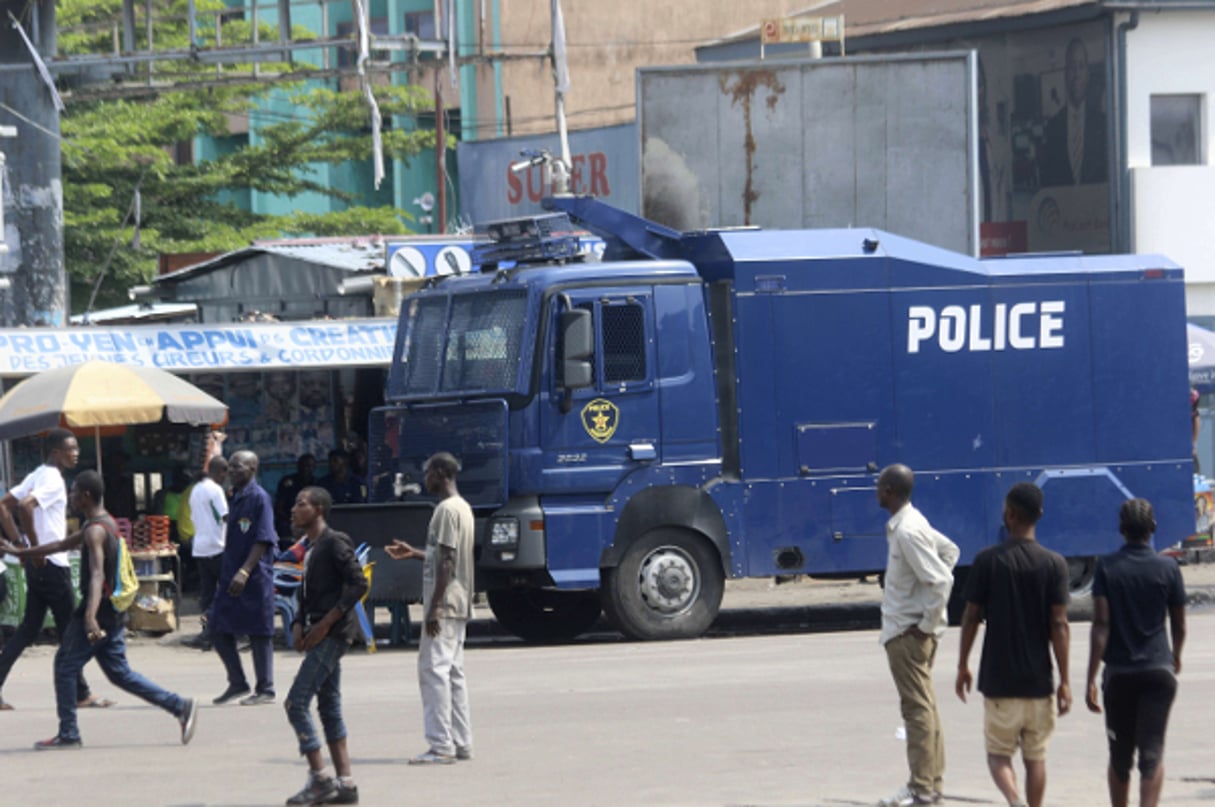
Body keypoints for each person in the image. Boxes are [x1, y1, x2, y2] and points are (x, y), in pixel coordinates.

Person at [0, 471, 197, 749]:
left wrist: (90, 617)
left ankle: (68, 733)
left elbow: (95, 574)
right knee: (120, 674)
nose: (70, 497)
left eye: (74, 492)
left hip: (99, 612)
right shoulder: (103, 523)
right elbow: (60, 544)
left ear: (86, 495)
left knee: (65, 667)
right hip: (112, 612)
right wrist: (21, 552)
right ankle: (179, 706)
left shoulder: (95, 530)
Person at [955, 483, 1071, 807]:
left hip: (999, 683)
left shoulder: (988, 561)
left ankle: (1013, 799)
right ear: (1040, 516)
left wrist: (962, 664)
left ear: (1009, 514)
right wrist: (1065, 682)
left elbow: (970, 617)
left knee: (998, 755)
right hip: (1039, 683)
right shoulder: (1054, 564)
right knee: (1036, 759)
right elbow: (1059, 625)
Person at [0, 428, 110, 711]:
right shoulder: (52, 479)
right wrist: (34, 547)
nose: (75, 453)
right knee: (71, 629)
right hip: (51, 565)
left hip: (41, 564)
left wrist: (20, 545)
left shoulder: (37, 474)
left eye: (76, 448)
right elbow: (24, 506)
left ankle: (80, 692)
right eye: (70, 449)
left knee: (28, 630)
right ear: (56, 452)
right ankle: (80, 693)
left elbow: (4, 505)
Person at [1086, 499, 1186, 807]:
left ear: (1121, 529)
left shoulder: (1107, 567)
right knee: (1152, 755)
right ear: (1153, 528)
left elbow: (1101, 625)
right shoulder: (1168, 568)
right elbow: (1179, 624)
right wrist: (1175, 656)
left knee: (1120, 757)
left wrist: (1090, 678)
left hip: (1119, 675)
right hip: (1159, 672)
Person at [876, 463, 960, 807]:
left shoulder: (909, 531)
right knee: (926, 707)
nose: (876, 491)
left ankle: (921, 788)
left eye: (880, 486)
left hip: (906, 635)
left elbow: (942, 580)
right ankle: (931, 784)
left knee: (916, 711)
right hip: (910, 631)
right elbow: (950, 552)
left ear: (890, 492)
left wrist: (925, 623)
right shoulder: (911, 523)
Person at [385, 452, 475, 764]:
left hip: (446, 603)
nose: (425, 480)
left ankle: (441, 746)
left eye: (427, 473)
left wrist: (434, 607)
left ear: (439, 473)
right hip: (458, 600)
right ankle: (461, 742)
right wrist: (414, 554)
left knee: (433, 671)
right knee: (452, 672)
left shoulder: (446, 510)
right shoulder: (462, 507)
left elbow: (448, 561)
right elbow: (443, 556)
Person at [282, 486, 367, 805]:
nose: (294, 509)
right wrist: (298, 624)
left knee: (296, 702)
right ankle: (345, 784)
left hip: (333, 634)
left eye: (301, 504)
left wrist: (325, 623)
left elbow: (359, 583)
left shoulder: (334, 541)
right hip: (317, 630)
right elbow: (304, 593)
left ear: (318, 510)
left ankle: (320, 779)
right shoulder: (309, 546)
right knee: (328, 706)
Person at [209, 450, 277, 706]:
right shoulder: (236, 496)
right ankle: (237, 682)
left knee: (259, 632)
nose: (232, 472)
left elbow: (263, 538)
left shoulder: (259, 498)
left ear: (252, 469)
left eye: (237, 467)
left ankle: (265, 689)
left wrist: (246, 570)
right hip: (230, 573)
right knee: (216, 627)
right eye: (230, 467)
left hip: (253, 575)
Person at [1038, 37, 1107, 187]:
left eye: (1081, 66)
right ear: (1065, 74)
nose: (1076, 75)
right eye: (1071, 67)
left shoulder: (1102, 124)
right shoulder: (1053, 127)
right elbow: (1047, 181)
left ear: (1087, 74)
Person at [184, 456, 229, 651]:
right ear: (220, 472)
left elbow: (195, 517)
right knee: (226, 589)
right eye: (225, 473)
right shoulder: (216, 490)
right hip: (218, 546)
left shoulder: (195, 490)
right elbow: (226, 516)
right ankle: (213, 626)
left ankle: (207, 633)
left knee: (207, 591)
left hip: (200, 547)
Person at [275, 453, 317, 540]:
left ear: (314, 468)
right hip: (289, 519)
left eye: (309, 466)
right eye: (303, 465)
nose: (306, 469)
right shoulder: (288, 482)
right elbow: (279, 508)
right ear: (298, 466)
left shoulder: (316, 483)